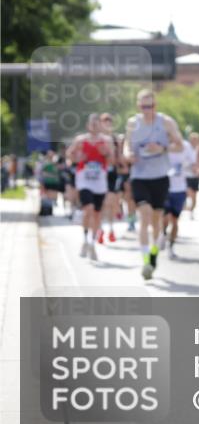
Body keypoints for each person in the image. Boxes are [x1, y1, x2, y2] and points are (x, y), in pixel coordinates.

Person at [123, 89, 184, 280]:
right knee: (145, 215)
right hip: (140, 176)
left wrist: (162, 148)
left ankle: (154, 254)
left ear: (155, 106)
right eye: (143, 106)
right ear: (138, 106)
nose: (147, 110)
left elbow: (180, 145)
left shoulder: (165, 122)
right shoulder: (133, 123)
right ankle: (145, 261)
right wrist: (127, 154)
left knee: (157, 221)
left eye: (150, 106)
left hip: (160, 177)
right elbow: (127, 144)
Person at [66, 114, 114, 261]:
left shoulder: (106, 140)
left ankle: (92, 243)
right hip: (84, 180)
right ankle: (85, 239)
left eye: (97, 124)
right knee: (88, 209)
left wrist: (106, 154)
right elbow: (69, 155)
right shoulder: (81, 140)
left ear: (101, 125)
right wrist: (77, 158)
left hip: (99, 181)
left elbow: (112, 161)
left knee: (97, 214)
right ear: (88, 126)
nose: (94, 127)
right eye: (92, 124)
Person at [162, 128, 197, 259]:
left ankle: (171, 246)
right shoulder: (163, 146)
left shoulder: (186, 146)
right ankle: (163, 234)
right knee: (164, 218)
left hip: (180, 189)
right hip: (164, 187)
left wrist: (195, 169)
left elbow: (193, 162)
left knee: (175, 221)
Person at [99, 113, 120, 244]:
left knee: (111, 202)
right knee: (102, 204)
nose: (107, 124)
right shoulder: (96, 139)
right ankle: (100, 229)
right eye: (104, 122)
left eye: (109, 122)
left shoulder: (115, 139)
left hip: (112, 173)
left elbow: (119, 157)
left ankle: (111, 229)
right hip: (99, 174)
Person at [184, 131, 199, 217]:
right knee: (189, 193)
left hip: (195, 176)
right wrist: (192, 167)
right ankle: (185, 207)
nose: (194, 141)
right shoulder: (186, 149)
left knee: (194, 197)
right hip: (187, 175)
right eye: (192, 139)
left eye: (195, 139)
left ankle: (191, 211)